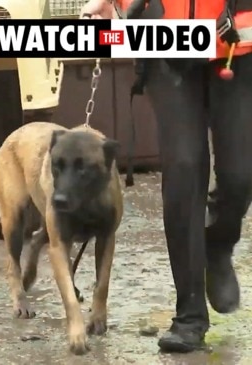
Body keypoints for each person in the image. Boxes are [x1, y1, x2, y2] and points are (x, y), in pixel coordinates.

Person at [81, 0, 252, 353]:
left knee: (241, 173)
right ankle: (189, 316)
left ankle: (218, 242)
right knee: (183, 169)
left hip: (240, 32)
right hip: (162, 28)